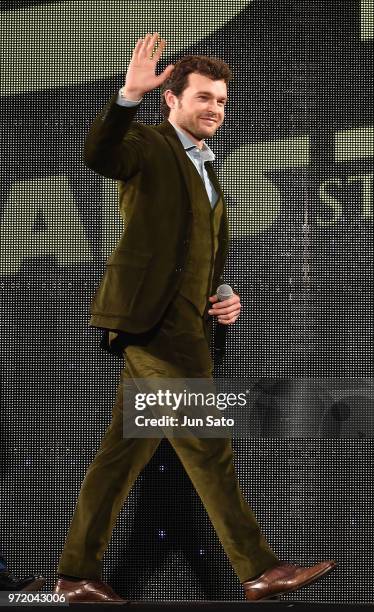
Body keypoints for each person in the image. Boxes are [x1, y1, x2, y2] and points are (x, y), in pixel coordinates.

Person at [54, 33, 336, 603]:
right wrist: (127, 97)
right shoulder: (149, 146)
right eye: (204, 97)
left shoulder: (206, 167)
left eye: (222, 101)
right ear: (172, 100)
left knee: (119, 456)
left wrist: (221, 290)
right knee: (207, 441)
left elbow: (196, 248)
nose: (214, 109)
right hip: (151, 326)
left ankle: (74, 576)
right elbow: (100, 154)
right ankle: (258, 568)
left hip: (188, 326)